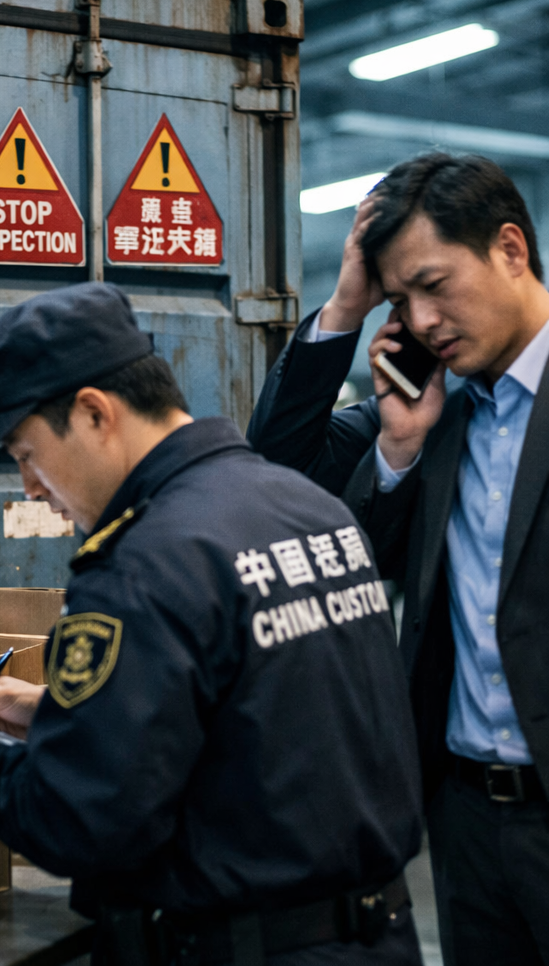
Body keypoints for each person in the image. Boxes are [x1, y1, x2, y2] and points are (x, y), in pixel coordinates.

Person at [0, 282, 424, 966]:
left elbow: (85, 820)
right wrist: (73, 717)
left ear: (95, 414)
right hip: (375, 936)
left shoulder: (143, 560)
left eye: (25, 453)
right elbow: (278, 719)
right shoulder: (303, 505)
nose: (30, 486)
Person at [247, 153, 549, 966]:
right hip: (465, 820)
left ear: (511, 250)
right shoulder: (427, 412)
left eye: (434, 284)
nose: (419, 321)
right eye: (399, 300)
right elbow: (272, 475)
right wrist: (352, 310)